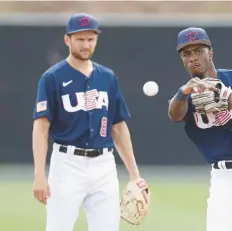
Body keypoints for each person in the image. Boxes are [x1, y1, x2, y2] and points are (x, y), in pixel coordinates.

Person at [32, 13, 147, 231]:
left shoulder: (108, 77)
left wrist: (135, 176)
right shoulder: (52, 78)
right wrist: (39, 174)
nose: (86, 44)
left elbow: (118, 127)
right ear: (68, 40)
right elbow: (41, 126)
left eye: (90, 39)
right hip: (66, 165)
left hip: (103, 165)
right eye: (80, 39)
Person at [168, 27, 232, 231]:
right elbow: (174, 115)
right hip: (226, 178)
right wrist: (182, 93)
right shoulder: (185, 98)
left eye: (198, 51)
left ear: (210, 53)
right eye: (187, 54)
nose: (193, 57)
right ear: (182, 60)